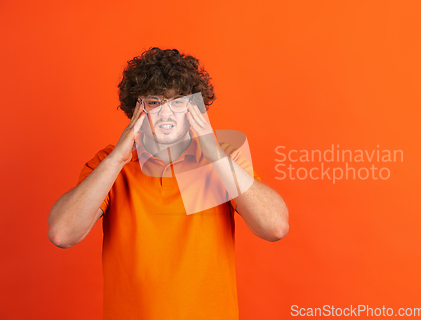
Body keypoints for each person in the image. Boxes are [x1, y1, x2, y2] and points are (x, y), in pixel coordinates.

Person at [48, 47, 289, 319]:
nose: (166, 114)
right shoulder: (109, 165)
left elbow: (275, 227)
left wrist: (213, 154)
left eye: (178, 102)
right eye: (154, 102)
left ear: (194, 109)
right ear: (137, 109)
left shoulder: (223, 159)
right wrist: (117, 159)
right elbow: (62, 234)